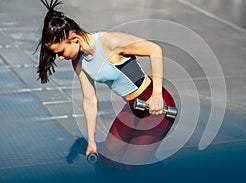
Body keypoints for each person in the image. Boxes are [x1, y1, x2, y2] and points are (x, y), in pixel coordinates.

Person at [37, 0, 176, 164]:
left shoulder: (110, 42)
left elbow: (154, 50)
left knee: (131, 169)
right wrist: (91, 141)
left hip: (157, 106)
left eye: (61, 52)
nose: (61, 57)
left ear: (73, 38)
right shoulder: (78, 61)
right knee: (108, 161)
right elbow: (89, 100)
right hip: (134, 107)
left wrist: (157, 95)